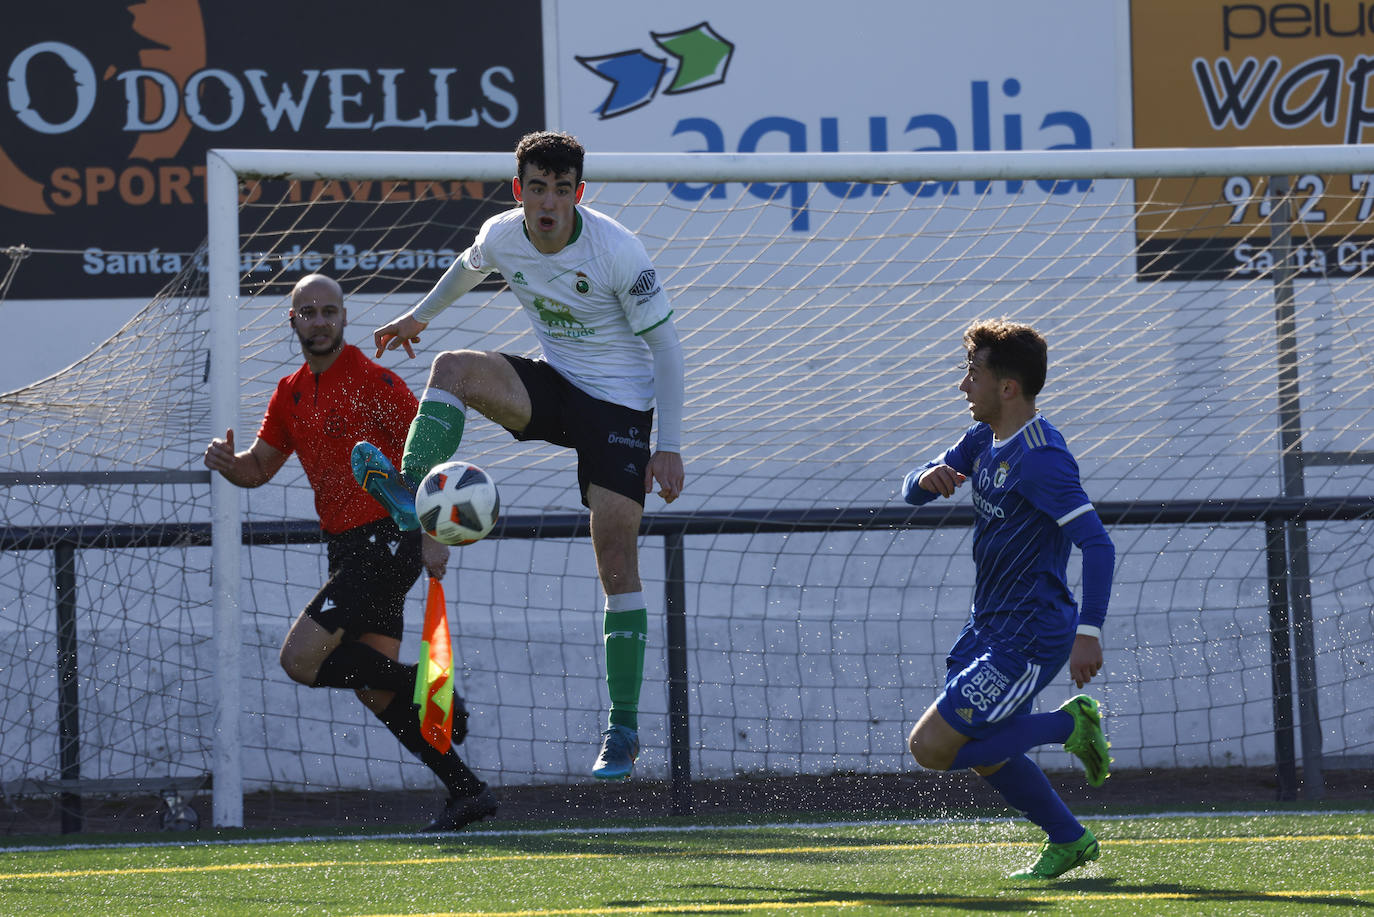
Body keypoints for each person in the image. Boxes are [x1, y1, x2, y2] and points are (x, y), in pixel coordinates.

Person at [351, 130, 685, 781]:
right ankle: (410, 491)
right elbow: (469, 266)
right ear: (520, 190)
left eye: (562, 189)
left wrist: (667, 445)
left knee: (616, 557)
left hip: (619, 410)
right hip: (556, 390)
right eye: (538, 187)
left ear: (578, 194)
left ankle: (621, 728)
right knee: (452, 367)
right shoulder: (503, 232)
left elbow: (668, 350)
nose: (549, 201)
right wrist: (419, 317)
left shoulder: (617, 250)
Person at [203, 272, 497, 832]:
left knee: (299, 661)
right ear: (294, 321)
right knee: (371, 686)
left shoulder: (372, 380)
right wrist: (230, 464)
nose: (319, 320)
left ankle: (430, 687)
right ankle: (467, 790)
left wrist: (434, 532)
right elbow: (260, 468)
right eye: (307, 312)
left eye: (328, 311)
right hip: (346, 549)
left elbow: (429, 456)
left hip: (389, 540)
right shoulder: (288, 393)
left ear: (343, 317)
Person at [900, 318, 1115, 880]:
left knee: (932, 748)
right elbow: (909, 493)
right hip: (987, 626)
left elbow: (1097, 544)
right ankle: (1069, 840)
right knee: (987, 744)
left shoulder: (1042, 459)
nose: (963, 387)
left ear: (1008, 388)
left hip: (1030, 634)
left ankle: (1068, 726)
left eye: (972, 374)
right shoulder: (983, 439)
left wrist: (1088, 631)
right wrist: (927, 478)